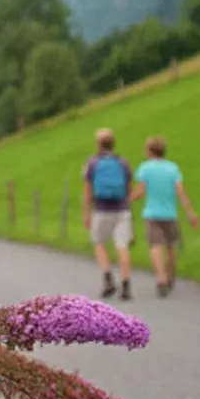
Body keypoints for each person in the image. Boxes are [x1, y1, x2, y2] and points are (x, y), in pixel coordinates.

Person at [131, 137, 199, 297]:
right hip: (170, 214)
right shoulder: (173, 168)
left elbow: (140, 192)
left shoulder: (145, 168)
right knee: (170, 247)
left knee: (155, 246)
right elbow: (180, 192)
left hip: (152, 213)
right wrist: (191, 213)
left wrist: (127, 199)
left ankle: (160, 278)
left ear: (149, 151)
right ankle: (169, 277)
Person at [82, 128, 133, 300]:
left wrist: (86, 213)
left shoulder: (93, 163)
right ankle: (126, 283)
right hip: (122, 209)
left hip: (102, 210)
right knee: (122, 246)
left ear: (98, 144)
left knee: (99, 242)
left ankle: (108, 277)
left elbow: (87, 191)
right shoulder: (123, 162)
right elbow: (129, 189)